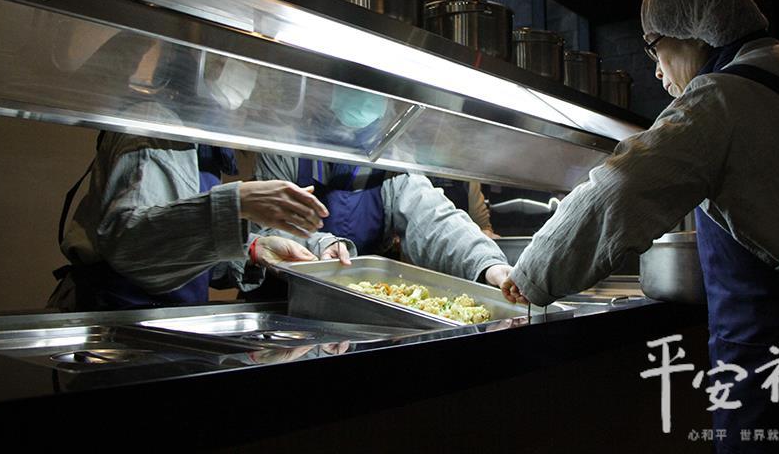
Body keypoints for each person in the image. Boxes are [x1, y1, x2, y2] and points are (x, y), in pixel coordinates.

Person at [501, 0, 779, 452]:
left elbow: (618, 189)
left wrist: (534, 274)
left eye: (653, 47)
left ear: (692, 33)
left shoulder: (722, 98)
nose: (656, 69)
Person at [48, 53, 345, 311]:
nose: (251, 75)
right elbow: (134, 252)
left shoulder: (201, 140)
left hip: (170, 317)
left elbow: (182, 246)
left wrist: (254, 249)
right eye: (235, 60)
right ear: (198, 60)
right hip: (114, 316)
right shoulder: (154, 122)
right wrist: (237, 203)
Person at [239, 86, 514, 301]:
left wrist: (487, 265)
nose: (362, 96)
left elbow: (433, 219)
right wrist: (319, 245)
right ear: (328, 88)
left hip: (357, 305)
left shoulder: (390, 158)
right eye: (352, 84)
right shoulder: (285, 148)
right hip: (280, 302)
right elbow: (261, 231)